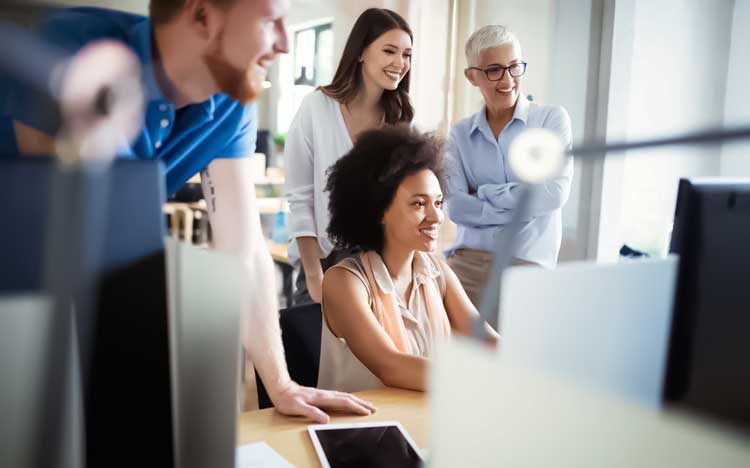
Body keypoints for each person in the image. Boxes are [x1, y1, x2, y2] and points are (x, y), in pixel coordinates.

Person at [0, 0, 374, 423]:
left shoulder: (231, 100)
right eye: (272, 22)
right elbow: (66, 243)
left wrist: (281, 383)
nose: (286, 45)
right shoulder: (74, 47)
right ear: (200, 16)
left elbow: (243, 247)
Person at [319, 126, 498, 393]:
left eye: (438, 203)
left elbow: (487, 342)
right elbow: (391, 366)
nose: (436, 217)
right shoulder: (344, 282)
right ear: (379, 210)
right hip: (362, 430)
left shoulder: (437, 272)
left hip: (424, 420)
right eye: (418, 204)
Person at [284, 8, 414, 305]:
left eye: (407, 54)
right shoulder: (317, 108)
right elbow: (300, 199)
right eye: (389, 51)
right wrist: (315, 277)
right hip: (323, 263)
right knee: (314, 349)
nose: (400, 63)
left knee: (368, 353)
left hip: (379, 266)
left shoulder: (401, 120)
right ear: (360, 53)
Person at [444, 25, 573, 308]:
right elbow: (455, 207)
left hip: (528, 268)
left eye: (515, 67)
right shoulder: (460, 134)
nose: (508, 80)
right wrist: (522, 205)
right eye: (494, 70)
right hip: (468, 265)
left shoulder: (550, 120)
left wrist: (484, 193)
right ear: (472, 76)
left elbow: (553, 194)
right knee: (460, 352)